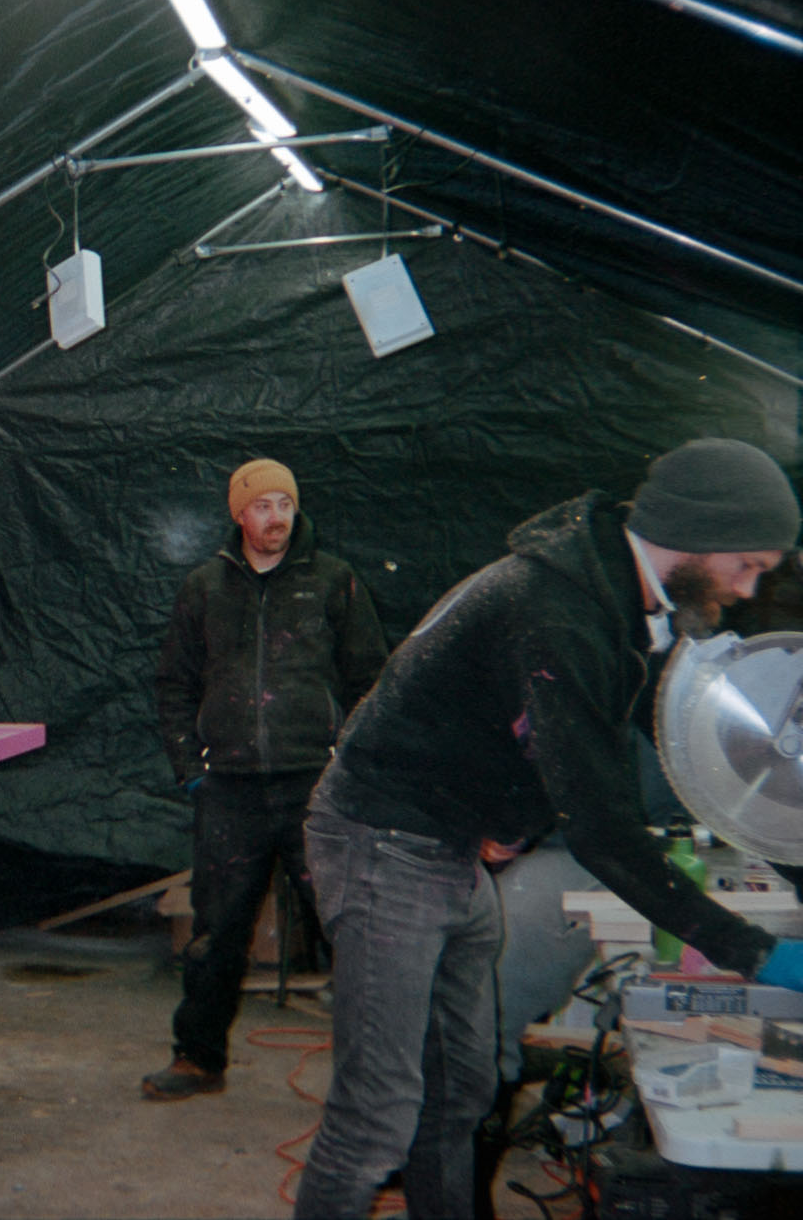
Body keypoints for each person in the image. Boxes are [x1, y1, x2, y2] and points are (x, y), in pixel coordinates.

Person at [293, 438, 803, 1220]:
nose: (748, 588)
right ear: (698, 535)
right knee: (377, 1116)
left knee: (460, 1086)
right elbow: (600, 828)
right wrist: (757, 953)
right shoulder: (558, 610)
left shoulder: (612, 599)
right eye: (747, 565)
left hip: (442, 843)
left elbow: (657, 754)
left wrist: (511, 818)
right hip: (382, 840)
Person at [143, 457, 388, 1101]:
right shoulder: (204, 588)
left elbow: (372, 683)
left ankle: (374, 1078)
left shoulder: (334, 581)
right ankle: (198, 1059)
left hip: (317, 790)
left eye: (285, 504)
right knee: (215, 932)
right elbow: (174, 684)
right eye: (262, 506)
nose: (276, 517)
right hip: (230, 790)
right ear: (239, 515)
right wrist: (190, 768)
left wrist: (349, 768)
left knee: (349, 929)